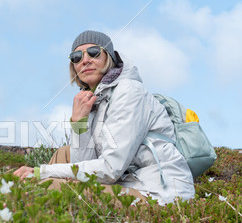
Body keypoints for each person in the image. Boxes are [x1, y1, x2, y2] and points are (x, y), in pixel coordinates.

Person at [14, 30, 195, 205]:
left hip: (159, 193)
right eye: (77, 57)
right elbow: (83, 165)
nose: (85, 60)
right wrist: (79, 124)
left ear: (109, 57)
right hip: (128, 183)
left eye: (94, 52)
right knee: (64, 154)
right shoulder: (95, 99)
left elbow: (110, 168)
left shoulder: (129, 91)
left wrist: (42, 172)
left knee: (45, 185)